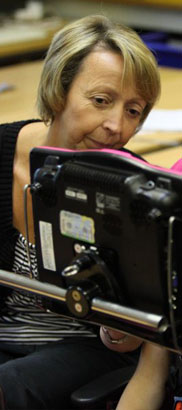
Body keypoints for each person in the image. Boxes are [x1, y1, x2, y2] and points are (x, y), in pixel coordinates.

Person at [0, 14, 161, 409]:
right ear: (59, 90)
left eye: (133, 111)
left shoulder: (135, 192)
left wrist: (122, 330)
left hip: (81, 346)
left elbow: (135, 338)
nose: (115, 126)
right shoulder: (4, 154)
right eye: (101, 101)